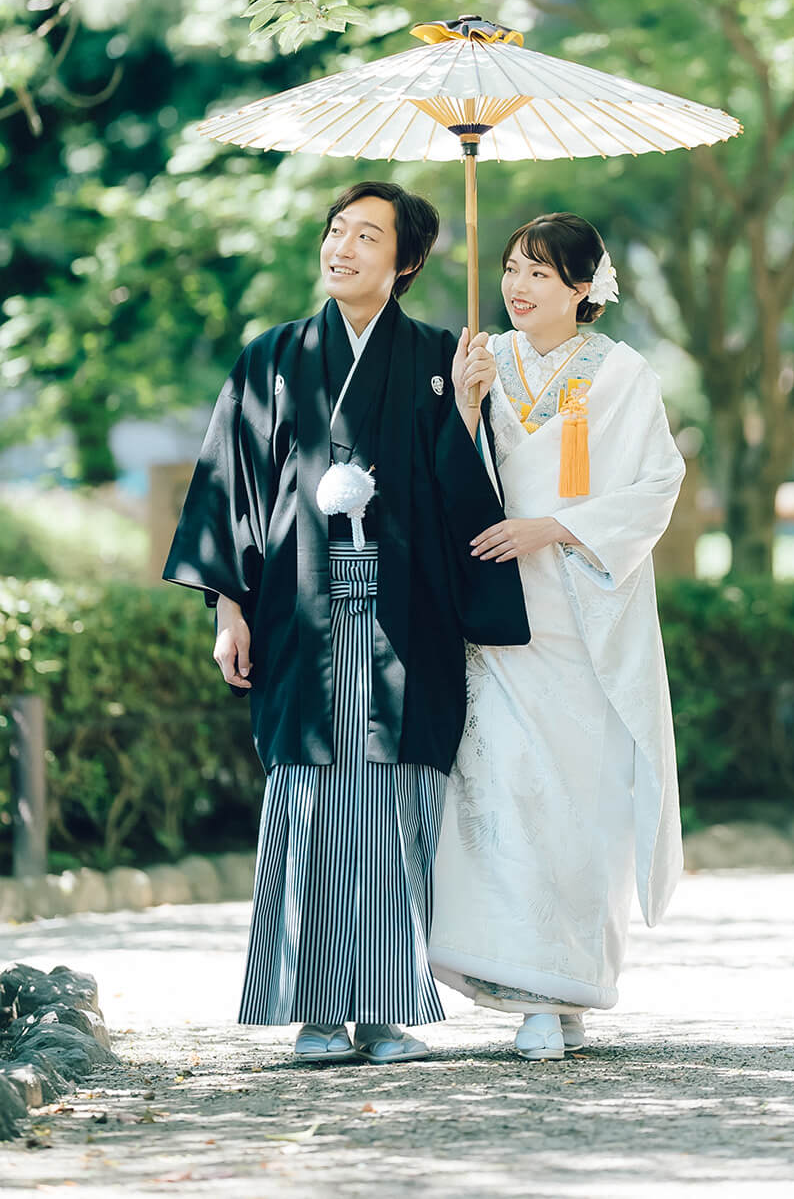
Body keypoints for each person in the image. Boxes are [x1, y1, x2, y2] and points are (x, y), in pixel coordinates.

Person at [164, 180, 527, 1065]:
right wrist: (228, 606)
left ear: (406, 263)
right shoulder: (272, 356)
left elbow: (466, 500)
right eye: (336, 231)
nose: (343, 247)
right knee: (313, 799)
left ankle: (387, 1008)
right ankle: (316, 1009)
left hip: (406, 616)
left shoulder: (442, 357)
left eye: (369, 236)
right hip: (300, 615)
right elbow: (230, 488)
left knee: (397, 799)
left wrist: (469, 412)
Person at [429, 211, 686, 1061]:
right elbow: (449, 479)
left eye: (540, 272)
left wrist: (558, 529)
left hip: (582, 614)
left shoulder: (624, 375)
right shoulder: (482, 361)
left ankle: (567, 981)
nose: (518, 286)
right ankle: (528, 991)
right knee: (504, 791)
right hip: (500, 613)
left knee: (578, 804)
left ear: (584, 287)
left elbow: (657, 484)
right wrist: (463, 411)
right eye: (511, 268)